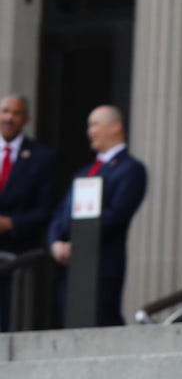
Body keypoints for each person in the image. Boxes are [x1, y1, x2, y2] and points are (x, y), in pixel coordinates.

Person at [47, 103, 148, 326]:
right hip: (71, 269)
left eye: (94, 124)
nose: (89, 131)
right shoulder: (84, 172)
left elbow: (118, 213)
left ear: (115, 127)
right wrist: (55, 243)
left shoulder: (130, 169)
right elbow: (60, 214)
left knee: (102, 323)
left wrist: (80, 240)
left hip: (102, 266)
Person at [0, 94, 56, 331]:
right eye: (5, 111)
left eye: (16, 113)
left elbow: (46, 210)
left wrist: (11, 223)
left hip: (17, 257)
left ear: (26, 119)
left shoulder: (41, 158)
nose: (9, 118)